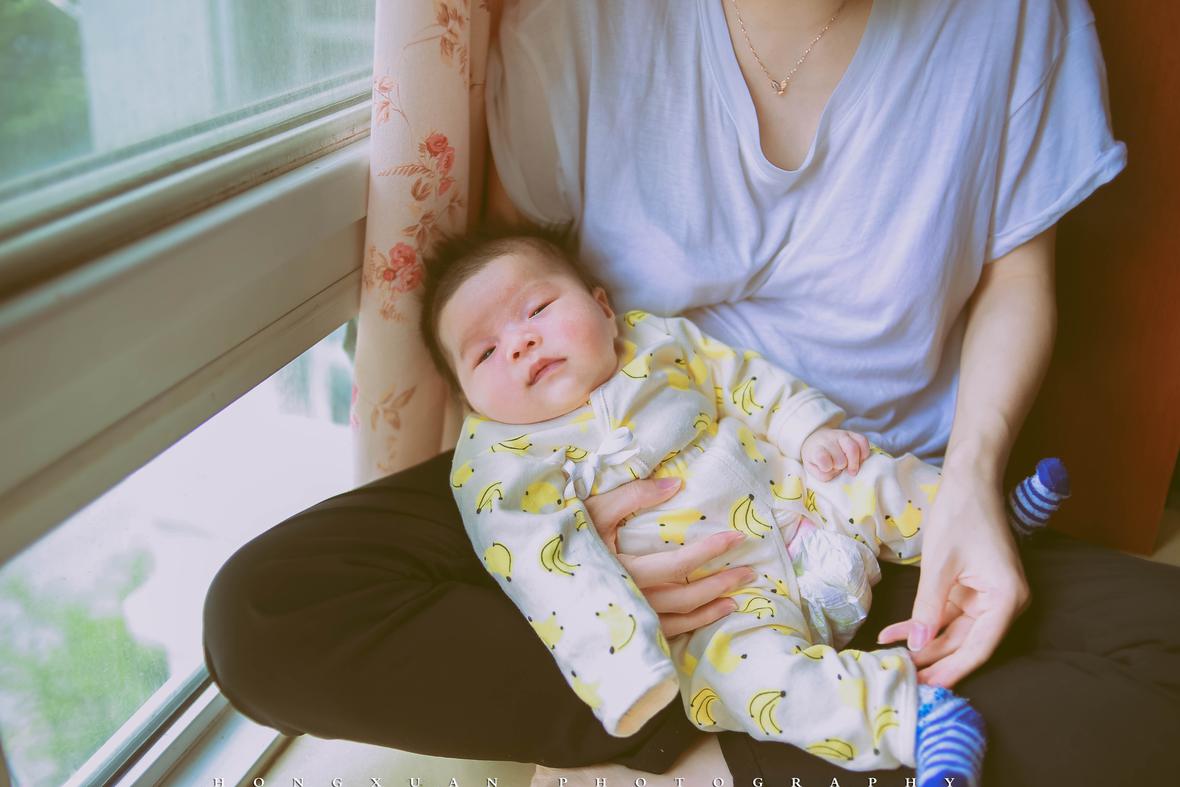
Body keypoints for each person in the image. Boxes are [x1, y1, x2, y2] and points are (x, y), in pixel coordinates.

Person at [202, 0, 1180, 783]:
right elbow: (500, 309)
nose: (526, 333)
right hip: (598, 480)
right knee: (262, 615)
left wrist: (968, 481)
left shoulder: (1014, 18)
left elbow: (1017, 276)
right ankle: (717, 709)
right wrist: (576, 557)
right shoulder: (573, 26)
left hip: (853, 490)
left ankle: (738, 751)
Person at [420, 227, 1069, 786]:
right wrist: (626, 667)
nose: (519, 343)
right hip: (722, 604)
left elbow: (744, 382)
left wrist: (807, 435)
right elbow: (546, 567)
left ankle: (974, 530)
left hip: (799, 497)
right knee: (750, 684)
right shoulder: (495, 463)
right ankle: (915, 719)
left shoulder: (655, 341)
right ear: (469, 400)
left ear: (603, 307)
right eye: (485, 351)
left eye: (536, 308)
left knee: (870, 475)